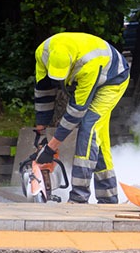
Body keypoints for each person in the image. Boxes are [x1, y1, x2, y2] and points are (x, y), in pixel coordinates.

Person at [33, 32, 130, 204]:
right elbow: (43, 92)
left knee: (89, 129)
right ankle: (108, 198)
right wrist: (40, 132)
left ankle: (79, 197)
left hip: (113, 80)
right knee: (99, 139)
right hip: (87, 75)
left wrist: (50, 148)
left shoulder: (88, 64)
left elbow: (77, 111)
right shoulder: (43, 53)